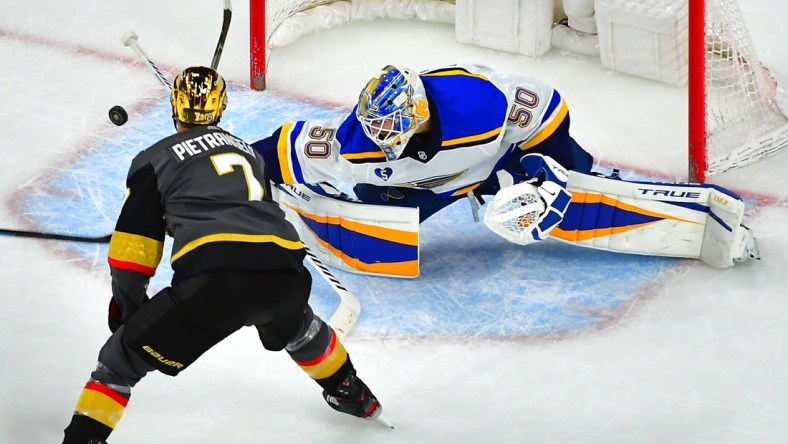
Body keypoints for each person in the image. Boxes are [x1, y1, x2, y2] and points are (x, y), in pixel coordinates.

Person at [62, 66, 383, 444]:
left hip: (215, 279)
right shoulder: (249, 155)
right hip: (286, 270)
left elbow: (133, 255)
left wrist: (129, 312)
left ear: (174, 107)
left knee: (119, 362)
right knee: (298, 325)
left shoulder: (154, 160)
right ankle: (355, 394)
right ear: (222, 107)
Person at [251, 63, 593, 223]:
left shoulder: (479, 106)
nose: (378, 135)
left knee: (573, 168)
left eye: (387, 124)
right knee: (378, 206)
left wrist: (555, 170)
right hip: (434, 184)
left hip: (499, 155)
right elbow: (288, 149)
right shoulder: (355, 141)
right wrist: (241, 170)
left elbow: (544, 107)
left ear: (416, 112)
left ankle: (571, 172)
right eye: (374, 124)